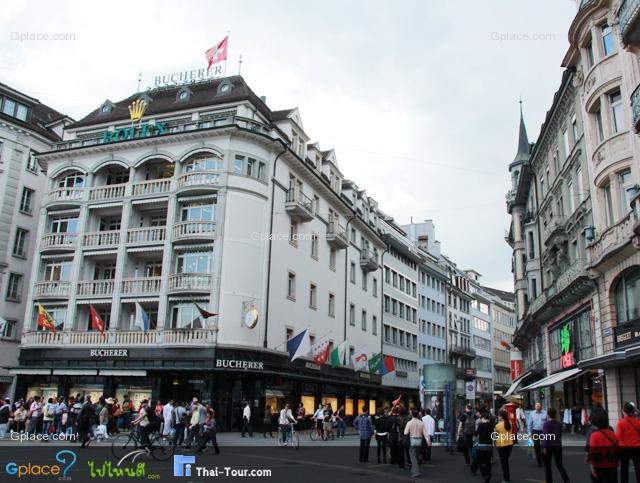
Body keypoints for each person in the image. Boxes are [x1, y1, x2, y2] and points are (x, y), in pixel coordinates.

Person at [586, 406, 619, 483]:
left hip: (599, 466)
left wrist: (592, 467)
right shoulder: (612, 433)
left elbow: (593, 453)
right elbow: (617, 449)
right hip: (612, 466)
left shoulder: (594, 435)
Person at [541, 407, 569, 483]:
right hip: (557, 445)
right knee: (559, 465)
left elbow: (545, 436)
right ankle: (566, 479)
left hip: (549, 446)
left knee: (548, 466)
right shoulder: (559, 424)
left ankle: (549, 481)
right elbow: (560, 434)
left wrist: (544, 447)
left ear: (548, 415)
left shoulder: (546, 424)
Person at [616, 402, 640, 483]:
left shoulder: (621, 422)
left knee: (624, 469)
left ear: (624, 412)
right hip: (636, 447)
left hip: (624, 448)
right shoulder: (637, 422)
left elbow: (618, 437)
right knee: (638, 468)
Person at [404, 409, 429, 478]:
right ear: (418, 415)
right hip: (419, 440)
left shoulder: (409, 423)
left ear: (412, 414)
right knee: (417, 455)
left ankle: (415, 472)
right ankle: (415, 468)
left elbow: (405, 432)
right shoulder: (421, 423)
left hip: (412, 440)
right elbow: (425, 433)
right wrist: (428, 441)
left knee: (413, 457)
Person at [475, 410, 493, 483]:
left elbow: (476, 433)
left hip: (482, 446)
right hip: (489, 446)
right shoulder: (491, 425)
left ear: (483, 418)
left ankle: (485, 475)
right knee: (488, 462)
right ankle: (488, 475)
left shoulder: (481, 425)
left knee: (479, 461)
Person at [530, 402, 548, 468]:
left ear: (541, 406)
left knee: (544, 446)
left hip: (543, 431)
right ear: (535, 407)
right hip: (535, 431)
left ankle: (545, 460)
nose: (537, 407)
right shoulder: (532, 413)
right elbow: (530, 424)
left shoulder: (545, 413)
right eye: (536, 405)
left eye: (539, 405)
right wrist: (529, 433)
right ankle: (539, 462)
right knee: (536, 447)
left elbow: (547, 423)